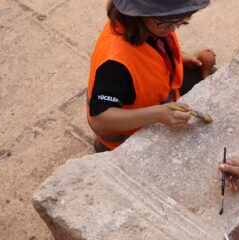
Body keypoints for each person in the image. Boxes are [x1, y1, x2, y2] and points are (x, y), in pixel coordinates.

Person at [87, 0, 214, 152]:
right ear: (137, 14)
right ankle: (104, 149)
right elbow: (99, 119)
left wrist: (179, 59)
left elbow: (149, 54)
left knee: (210, 75)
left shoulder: (151, 25)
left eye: (179, 20)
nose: (173, 28)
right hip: (127, 140)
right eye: (166, 22)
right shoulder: (114, 64)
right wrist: (158, 115)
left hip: (155, 99)